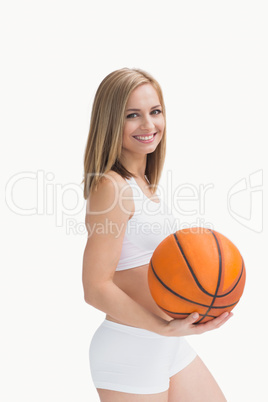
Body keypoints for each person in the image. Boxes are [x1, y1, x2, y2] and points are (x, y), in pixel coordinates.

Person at [82, 67, 232, 402]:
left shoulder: (144, 185)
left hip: (166, 345)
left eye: (155, 111)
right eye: (133, 115)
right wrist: (163, 326)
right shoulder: (112, 186)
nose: (149, 126)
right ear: (110, 122)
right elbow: (95, 287)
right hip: (130, 348)